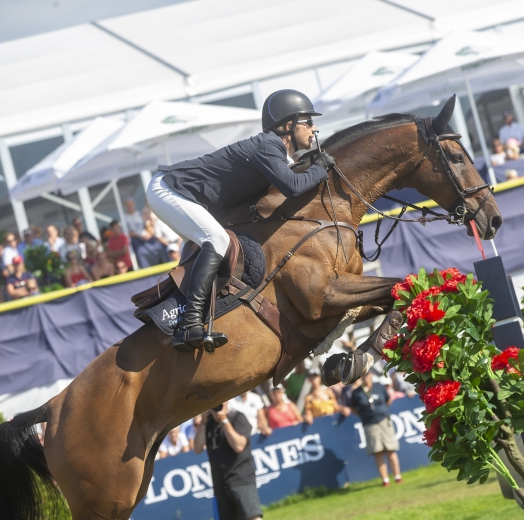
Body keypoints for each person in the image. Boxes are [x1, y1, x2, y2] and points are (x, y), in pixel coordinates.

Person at [146, 89, 333, 351]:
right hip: (168, 189)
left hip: (181, 194)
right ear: (288, 125)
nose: (314, 128)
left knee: (217, 239)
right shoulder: (269, 145)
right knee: (216, 239)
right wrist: (319, 168)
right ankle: (190, 325)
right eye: (308, 122)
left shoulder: (276, 151)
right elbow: (292, 187)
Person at [194, 402, 263, 520]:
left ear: (227, 402)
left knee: (252, 517)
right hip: (220, 484)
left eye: (220, 403)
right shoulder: (209, 424)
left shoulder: (238, 417)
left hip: (241, 479)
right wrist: (203, 422)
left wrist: (224, 421)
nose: (217, 407)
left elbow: (239, 446)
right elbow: (197, 448)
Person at [349, 372, 402, 487]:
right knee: (377, 451)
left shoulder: (379, 386)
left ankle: (397, 476)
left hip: (383, 420)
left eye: (367, 374)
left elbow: (388, 399)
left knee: (390, 449)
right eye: (362, 375)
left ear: (371, 375)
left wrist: (382, 410)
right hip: (369, 423)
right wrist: (363, 415)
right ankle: (385, 479)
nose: (365, 377)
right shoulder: (357, 392)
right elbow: (352, 407)